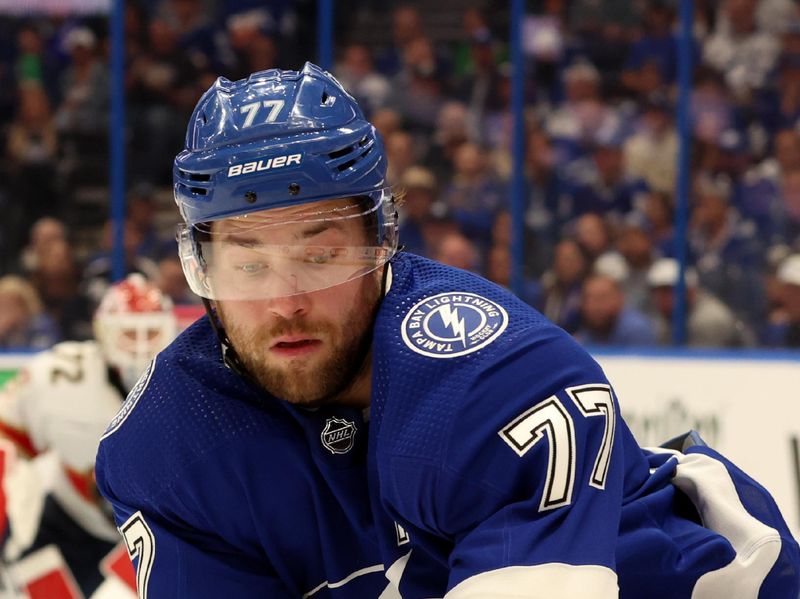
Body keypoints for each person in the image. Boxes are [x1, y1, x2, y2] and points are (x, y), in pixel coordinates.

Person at [96, 63, 799, 598]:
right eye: (248, 263)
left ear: (382, 244)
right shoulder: (165, 446)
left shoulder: (492, 374)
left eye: (321, 254)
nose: (286, 302)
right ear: (199, 269)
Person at [0, 275, 176, 598]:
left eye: (150, 331)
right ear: (103, 333)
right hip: (68, 523)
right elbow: (7, 435)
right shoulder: (60, 376)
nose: (139, 345)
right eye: (127, 333)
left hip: (154, 538)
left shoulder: (190, 390)